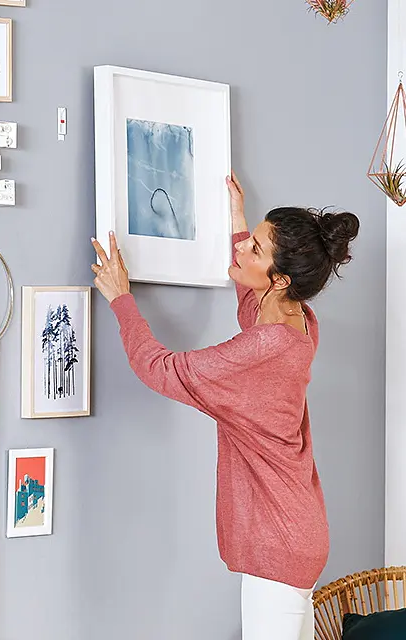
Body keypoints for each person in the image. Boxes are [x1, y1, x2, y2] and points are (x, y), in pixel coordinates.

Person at [90, 172, 360, 640]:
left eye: (254, 248)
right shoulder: (300, 323)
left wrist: (121, 299)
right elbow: (251, 303)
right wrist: (239, 219)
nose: (241, 249)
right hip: (297, 532)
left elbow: (162, 369)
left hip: (278, 543)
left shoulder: (260, 352)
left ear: (279, 280)